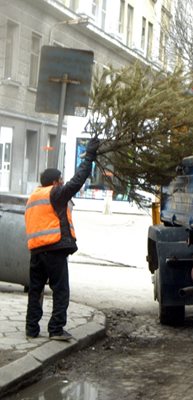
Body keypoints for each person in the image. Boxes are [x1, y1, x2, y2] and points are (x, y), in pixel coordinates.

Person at [24, 137, 100, 341]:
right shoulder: (55, 193)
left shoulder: (33, 197)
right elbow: (78, 181)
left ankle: (31, 329)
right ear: (55, 182)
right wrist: (90, 156)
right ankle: (56, 329)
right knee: (61, 291)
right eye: (61, 179)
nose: (63, 182)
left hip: (36, 252)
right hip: (54, 250)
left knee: (35, 291)